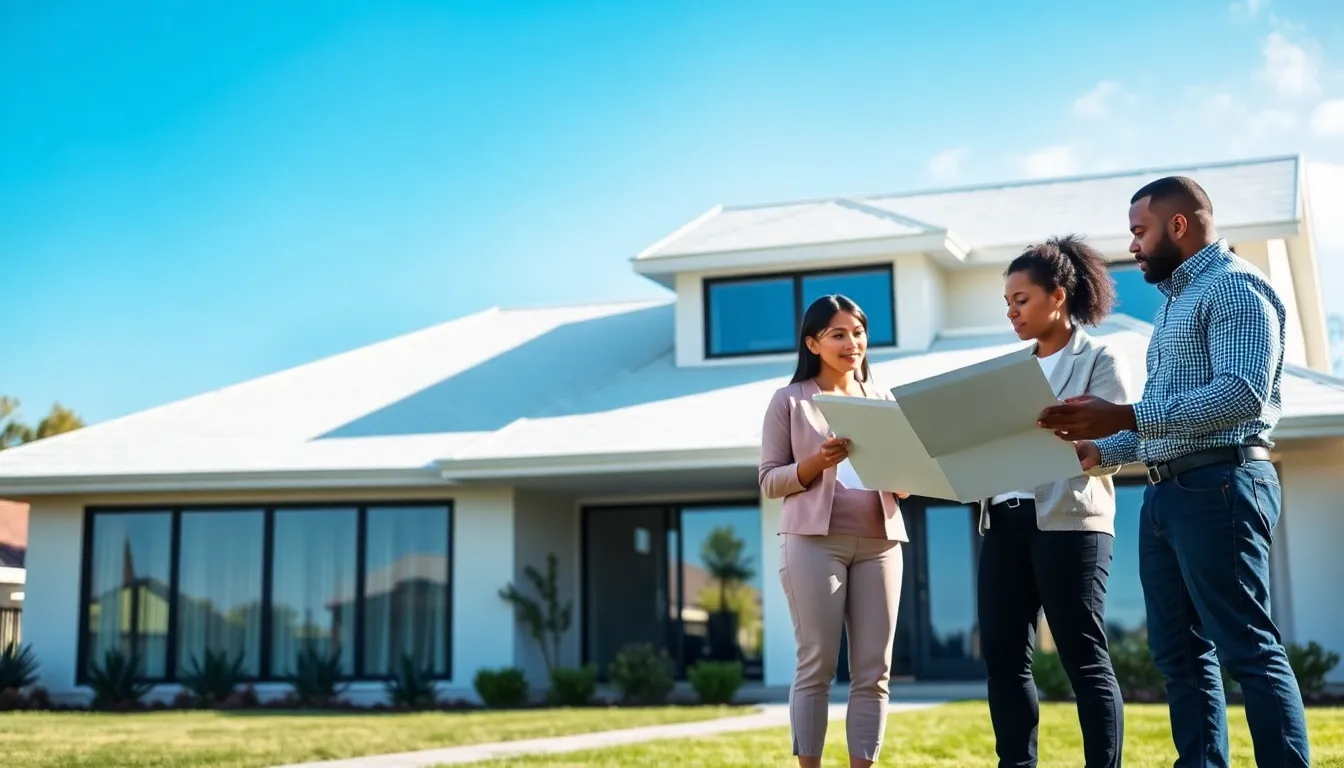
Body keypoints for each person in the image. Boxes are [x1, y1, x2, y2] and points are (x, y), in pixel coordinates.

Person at [1037, 176, 1311, 767]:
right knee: (1180, 656)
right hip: (1167, 494)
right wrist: (1102, 450)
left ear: (1178, 225)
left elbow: (1242, 395)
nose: (1133, 246)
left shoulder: (1236, 289)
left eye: (1140, 231)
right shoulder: (1176, 304)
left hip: (1221, 486)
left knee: (1246, 649)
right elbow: (1174, 417)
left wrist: (1126, 413)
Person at [978, 235, 1132, 768]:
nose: (1012, 312)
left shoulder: (1099, 359)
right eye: (1007, 304)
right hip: (1002, 521)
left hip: (1071, 525)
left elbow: (1117, 450)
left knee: (1083, 658)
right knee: (1003, 659)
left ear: (1058, 295)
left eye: (1021, 300)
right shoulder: (1004, 373)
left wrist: (1079, 442)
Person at [759, 293, 909, 768]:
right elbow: (769, 480)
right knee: (816, 665)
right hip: (813, 544)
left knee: (874, 671)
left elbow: (901, 472)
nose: (852, 343)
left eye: (859, 332)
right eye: (838, 334)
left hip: (882, 543)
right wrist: (814, 463)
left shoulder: (883, 398)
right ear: (813, 343)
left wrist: (909, 476)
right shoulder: (789, 401)